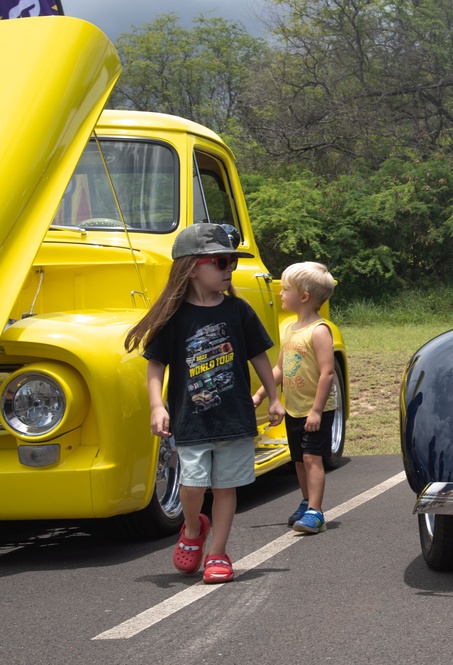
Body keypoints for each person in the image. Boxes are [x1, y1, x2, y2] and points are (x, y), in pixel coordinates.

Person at [124, 223, 285, 584]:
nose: (230, 270)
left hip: (234, 417)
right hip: (191, 418)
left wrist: (274, 397)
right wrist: (157, 406)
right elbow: (155, 365)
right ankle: (194, 528)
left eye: (231, 263)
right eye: (222, 262)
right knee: (194, 487)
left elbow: (259, 356)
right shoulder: (175, 317)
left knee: (226, 487)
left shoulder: (238, 312)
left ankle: (217, 554)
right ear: (193, 266)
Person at [253, 261, 336, 534]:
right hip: (295, 409)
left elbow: (327, 373)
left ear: (304, 296)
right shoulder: (289, 329)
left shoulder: (320, 330)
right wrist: (261, 394)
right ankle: (305, 501)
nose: (280, 293)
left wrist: (316, 410)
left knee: (313, 459)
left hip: (316, 410)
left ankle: (316, 511)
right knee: (298, 459)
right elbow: (279, 369)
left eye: (285, 289)